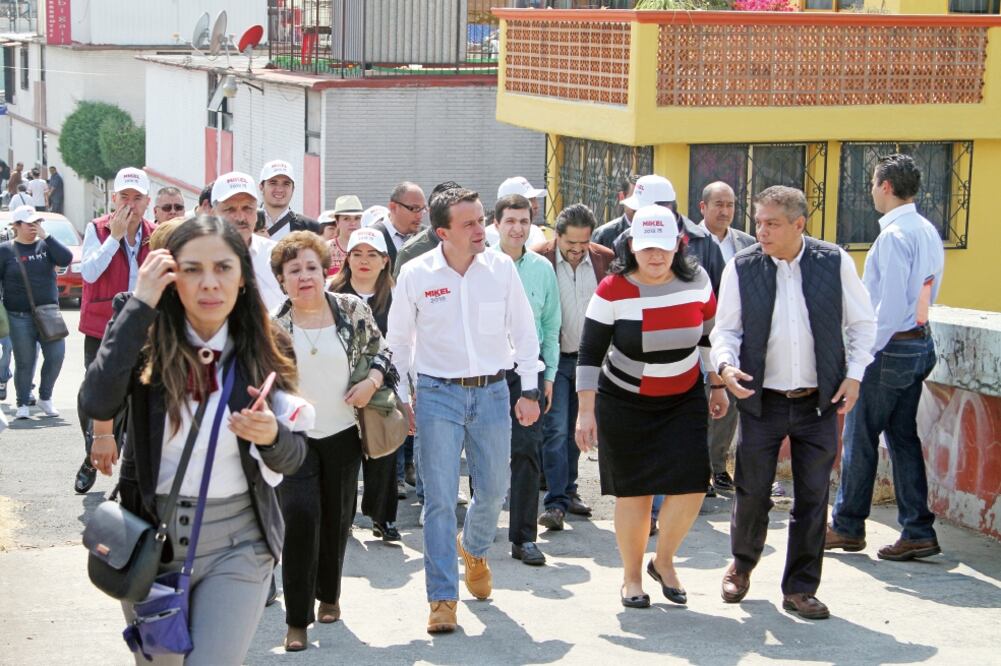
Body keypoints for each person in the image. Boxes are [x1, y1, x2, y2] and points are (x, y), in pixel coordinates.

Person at [81, 215, 311, 664]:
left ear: (243, 277)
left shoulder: (267, 343)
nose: (210, 283)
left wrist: (272, 437)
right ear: (170, 275)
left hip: (240, 543)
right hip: (153, 539)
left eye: (223, 268)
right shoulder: (145, 335)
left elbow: (294, 455)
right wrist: (141, 303)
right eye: (192, 269)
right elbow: (97, 400)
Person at [710, 185, 876, 620]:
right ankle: (742, 565)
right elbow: (725, 331)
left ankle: (801, 588)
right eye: (759, 222)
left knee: (813, 497)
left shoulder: (833, 261)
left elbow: (862, 323)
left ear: (799, 225)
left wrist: (855, 375)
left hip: (818, 403)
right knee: (750, 492)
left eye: (772, 224)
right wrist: (725, 367)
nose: (760, 231)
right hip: (760, 399)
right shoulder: (742, 267)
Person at [387, 187, 541, 633]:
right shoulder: (416, 274)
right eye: (470, 223)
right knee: (437, 500)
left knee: (494, 490)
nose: (482, 230)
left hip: (493, 391)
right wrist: (403, 397)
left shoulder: (501, 270)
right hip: (437, 395)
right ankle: (441, 599)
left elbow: (524, 331)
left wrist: (528, 390)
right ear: (442, 232)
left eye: (481, 220)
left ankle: (472, 547)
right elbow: (398, 343)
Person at [575, 204, 725, 609]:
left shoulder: (698, 280)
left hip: (683, 397)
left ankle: (665, 560)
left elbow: (711, 336)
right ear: (631, 246)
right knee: (634, 493)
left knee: (693, 483)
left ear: (678, 245)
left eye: (663, 248)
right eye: (646, 249)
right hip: (625, 401)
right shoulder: (613, 288)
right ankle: (631, 577)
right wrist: (585, 411)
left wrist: (718, 385)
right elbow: (589, 353)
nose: (655, 257)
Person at [271, 230, 394, 651]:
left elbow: (383, 352)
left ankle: (330, 596)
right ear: (281, 279)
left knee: (338, 520)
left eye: (311, 267)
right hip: (295, 441)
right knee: (301, 520)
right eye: (294, 271)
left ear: (324, 271)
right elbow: (261, 383)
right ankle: (297, 620)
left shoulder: (351, 310)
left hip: (343, 434)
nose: (304, 277)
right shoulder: (274, 325)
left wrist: (371, 382)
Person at [827, 154, 946, 561]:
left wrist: (860, 358)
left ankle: (847, 526)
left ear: (886, 187)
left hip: (891, 347)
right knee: (902, 439)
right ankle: (918, 529)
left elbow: (890, 306)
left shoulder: (894, 236)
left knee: (859, 437)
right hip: (919, 341)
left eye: (874, 184)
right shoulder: (926, 229)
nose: (871, 191)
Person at [74, 167, 157, 494]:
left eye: (137, 198)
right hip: (102, 326)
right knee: (91, 397)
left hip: (144, 329)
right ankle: (90, 452)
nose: (131, 205)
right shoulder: (98, 229)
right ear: (114, 199)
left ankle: (109, 453)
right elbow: (90, 273)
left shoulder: (156, 232)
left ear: (147, 201)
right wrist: (116, 238)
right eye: (125, 197)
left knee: (133, 396)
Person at [533, 204, 613, 529]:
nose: (578, 251)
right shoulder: (540, 259)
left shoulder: (604, 259)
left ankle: (569, 490)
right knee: (555, 429)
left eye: (584, 244)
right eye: (571, 245)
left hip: (590, 361)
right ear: (557, 237)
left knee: (577, 432)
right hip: (555, 359)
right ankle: (555, 502)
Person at [491, 193, 560, 566]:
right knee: (485, 453)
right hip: (487, 371)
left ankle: (523, 538)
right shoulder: (481, 264)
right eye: (510, 221)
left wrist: (547, 374)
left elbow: (550, 325)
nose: (517, 228)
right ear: (497, 224)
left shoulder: (541, 269)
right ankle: (479, 535)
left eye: (523, 221)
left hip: (527, 372)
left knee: (526, 451)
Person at [329, 227, 402, 541]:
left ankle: (381, 517)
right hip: (337, 386)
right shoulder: (331, 292)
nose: (364, 260)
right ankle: (342, 517)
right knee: (342, 456)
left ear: (385, 260)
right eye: (356, 253)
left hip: (380, 383)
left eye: (372, 254)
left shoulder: (395, 295)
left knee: (382, 450)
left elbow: (401, 342)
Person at [697, 181, 756, 494]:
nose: (725, 211)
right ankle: (698, 470)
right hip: (698, 335)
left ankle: (718, 468)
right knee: (699, 402)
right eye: (718, 204)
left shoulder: (747, 243)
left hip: (734, 337)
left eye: (730, 205)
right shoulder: (689, 241)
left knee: (727, 404)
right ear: (703, 207)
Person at [0, 205, 72, 419]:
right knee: (25, 360)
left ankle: (45, 397)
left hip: (49, 313)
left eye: (38, 223)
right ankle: (22, 402)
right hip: (18, 316)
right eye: (29, 224)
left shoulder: (46, 245)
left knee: (56, 355)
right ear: (16, 226)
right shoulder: (5, 250)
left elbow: (65, 259)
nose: (35, 227)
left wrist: (47, 236)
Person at [614, 174, 725, 296]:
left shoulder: (702, 241)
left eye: (640, 209)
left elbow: (721, 294)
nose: (635, 213)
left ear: (667, 207)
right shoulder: (624, 241)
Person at [213, 171, 286, 313]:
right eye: (230, 209)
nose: (241, 217)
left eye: (247, 208)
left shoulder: (278, 255)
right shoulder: (199, 256)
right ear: (213, 213)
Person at [256, 160, 319, 241]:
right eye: (273, 183)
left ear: (293, 189)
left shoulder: (311, 228)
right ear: (261, 187)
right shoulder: (247, 224)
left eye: (286, 184)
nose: (279, 189)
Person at [372, 181, 427, 269]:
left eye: (423, 209)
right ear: (393, 207)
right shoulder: (372, 236)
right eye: (414, 208)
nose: (420, 215)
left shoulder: (428, 236)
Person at [485, 177, 547, 248]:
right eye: (529, 200)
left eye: (535, 199)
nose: (536, 205)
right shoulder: (485, 237)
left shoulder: (535, 232)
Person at [591, 175, 638, 250]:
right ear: (622, 197)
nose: (642, 206)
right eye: (636, 199)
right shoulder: (604, 235)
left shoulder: (661, 234)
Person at [325, 195, 364, 276]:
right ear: (337, 222)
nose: (353, 223)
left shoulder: (369, 247)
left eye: (357, 218)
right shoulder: (325, 249)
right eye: (346, 218)